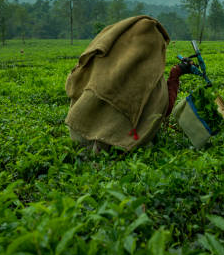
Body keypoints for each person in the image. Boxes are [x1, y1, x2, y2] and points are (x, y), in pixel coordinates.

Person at [65, 15, 191, 153]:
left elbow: (72, 86)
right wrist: (176, 74)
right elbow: (163, 111)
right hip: (116, 145)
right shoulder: (149, 80)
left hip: (78, 134)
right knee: (143, 143)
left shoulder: (101, 59)